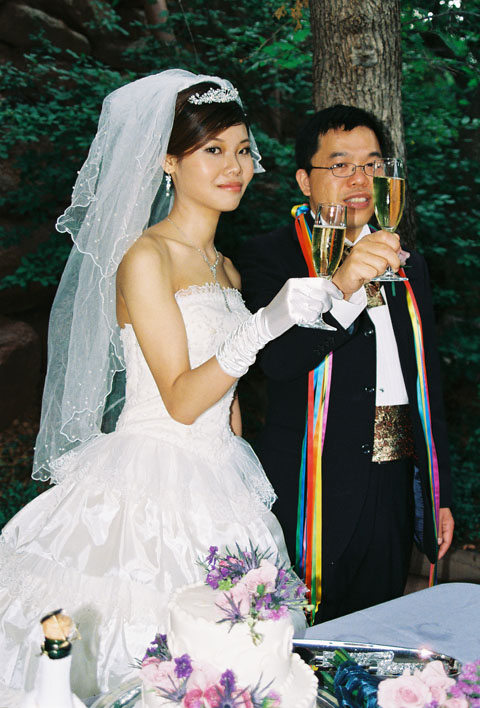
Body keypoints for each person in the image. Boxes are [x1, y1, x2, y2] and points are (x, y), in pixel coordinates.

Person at [0, 70, 341, 702]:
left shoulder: (226, 268)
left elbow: (224, 402)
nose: (234, 166)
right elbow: (181, 400)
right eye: (213, 150)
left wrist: (236, 457)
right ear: (168, 161)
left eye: (242, 149)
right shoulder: (145, 258)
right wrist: (268, 322)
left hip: (220, 479)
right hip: (148, 478)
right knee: (140, 653)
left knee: (236, 656)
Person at [239, 105, 454, 624]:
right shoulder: (269, 257)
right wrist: (344, 287)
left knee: (378, 628)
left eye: (373, 165)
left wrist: (440, 491)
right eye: (340, 165)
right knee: (303, 631)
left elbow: (427, 381)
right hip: (311, 481)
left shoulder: (409, 264)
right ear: (304, 181)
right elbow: (277, 362)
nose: (360, 179)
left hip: (393, 475)